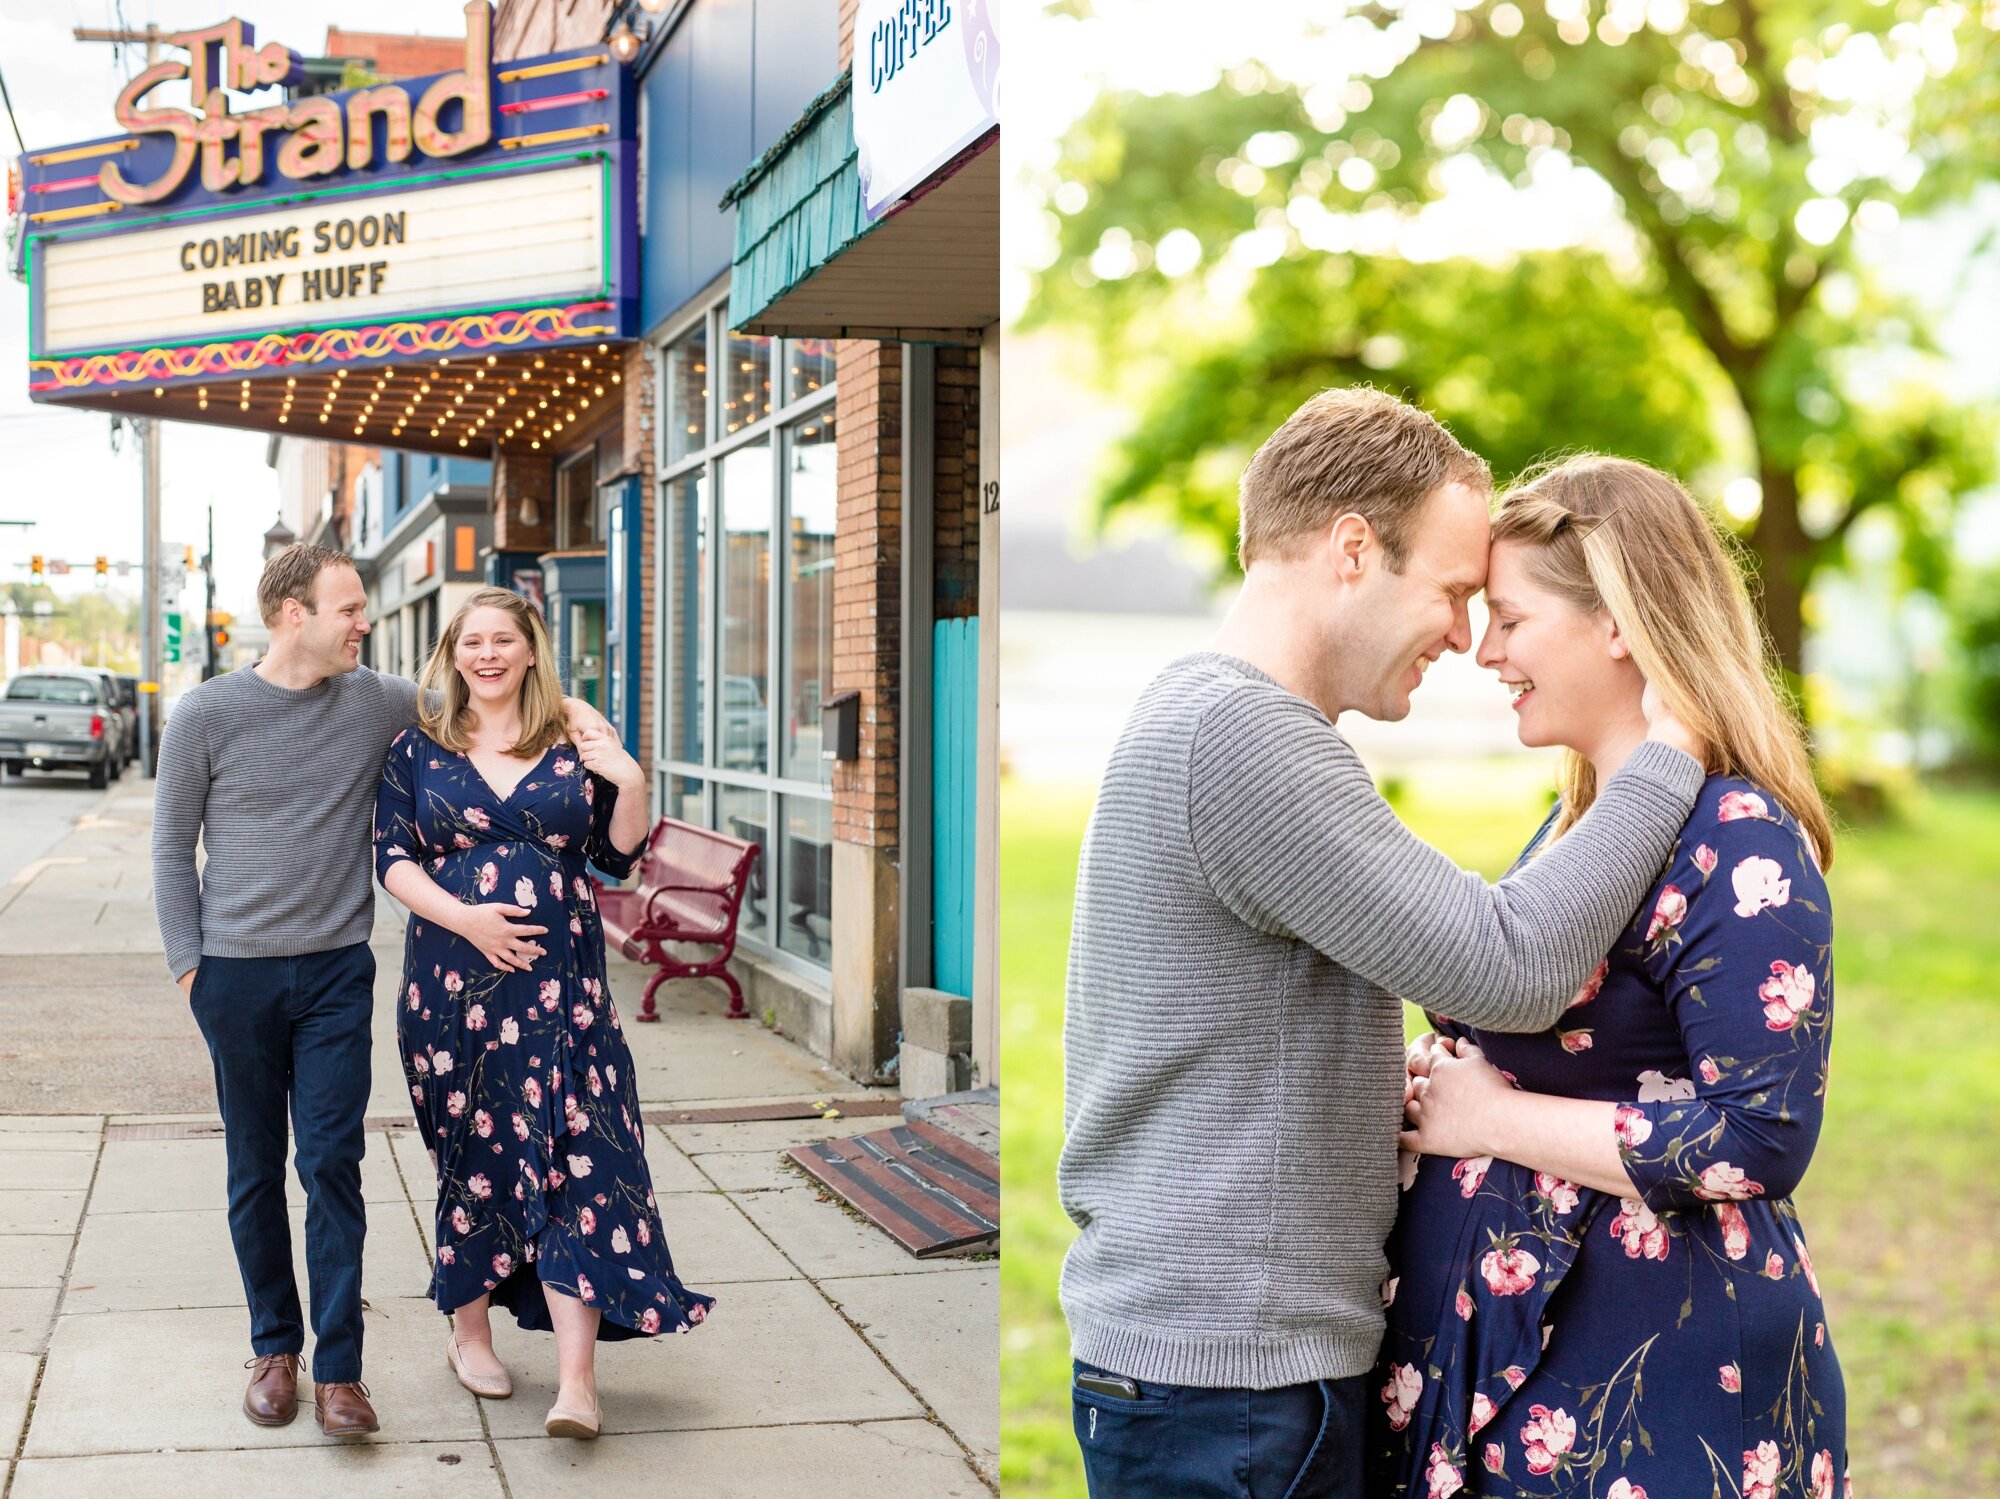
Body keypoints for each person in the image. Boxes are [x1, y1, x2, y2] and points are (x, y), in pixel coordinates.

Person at [1060, 389, 1709, 1499]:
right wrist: (1665, 750)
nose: (1464, 636)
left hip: (1213, 1378)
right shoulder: (1242, 737)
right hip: (1235, 1393)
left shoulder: (1211, 719)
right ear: (1351, 549)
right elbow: (1511, 964)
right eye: (1454, 592)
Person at [1380, 456, 1845, 1498]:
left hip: (1651, 1386)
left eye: (1508, 618)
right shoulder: (1573, 823)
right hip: (1522, 1359)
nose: (1482, 650)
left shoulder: (1734, 837)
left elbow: (1757, 1135)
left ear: (1618, 621)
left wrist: (1489, 1119)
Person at [151, 544, 609, 1438]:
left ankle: (340, 1369)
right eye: (351, 608)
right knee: (254, 1167)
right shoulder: (205, 713)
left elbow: (491, 696)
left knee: (331, 1163)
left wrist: (586, 721)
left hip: (334, 971)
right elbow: (173, 849)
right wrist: (190, 968)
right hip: (234, 972)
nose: (365, 622)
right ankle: (274, 1348)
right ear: (295, 615)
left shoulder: (378, 702)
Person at [372, 586, 713, 1441]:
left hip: (567, 1000)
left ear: (531, 650)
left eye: (503, 640)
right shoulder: (417, 748)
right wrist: (468, 920)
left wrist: (629, 776)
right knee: (476, 1161)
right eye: (471, 641)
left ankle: (576, 1384)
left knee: (585, 1165)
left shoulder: (572, 740)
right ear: (453, 655)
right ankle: (471, 1332)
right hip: (453, 997)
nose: (486, 654)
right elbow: (393, 860)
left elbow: (617, 858)